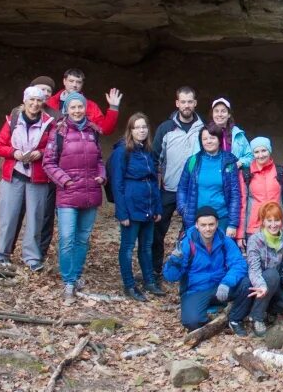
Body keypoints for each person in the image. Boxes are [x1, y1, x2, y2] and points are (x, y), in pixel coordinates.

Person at [42, 93, 106, 304]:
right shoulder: (58, 132)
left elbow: (99, 160)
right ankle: (68, 280)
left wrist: (102, 175)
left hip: (90, 193)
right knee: (67, 238)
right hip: (68, 193)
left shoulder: (94, 131)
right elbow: (48, 163)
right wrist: (66, 181)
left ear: (85, 108)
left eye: (80, 107)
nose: (77, 110)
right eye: (73, 107)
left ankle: (77, 275)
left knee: (83, 238)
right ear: (67, 109)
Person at [0, 86, 55, 271]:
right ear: (25, 101)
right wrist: (15, 153)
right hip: (13, 175)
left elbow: (55, 148)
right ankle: (2, 254)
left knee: (36, 218)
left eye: (39, 100)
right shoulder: (13, 120)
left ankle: (32, 258)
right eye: (32, 100)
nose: (35, 104)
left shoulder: (49, 123)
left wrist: (41, 153)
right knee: (8, 215)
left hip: (38, 178)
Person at [163, 207, 248, 331]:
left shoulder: (224, 241)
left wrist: (227, 282)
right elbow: (170, 277)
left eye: (211, 224)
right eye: (203, 225)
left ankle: (234, 318)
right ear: (197, 225)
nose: (208, 228)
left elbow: (239, 264)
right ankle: (210, 313)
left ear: (217, 224)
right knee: (192, 322)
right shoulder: (187, 243)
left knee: (247, 284)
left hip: (221, 286)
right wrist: (175, 261)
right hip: (197, 289)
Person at [152, 87, 204, 284]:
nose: (186, 106)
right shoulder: (166, 128)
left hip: (193, 191)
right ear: (177, 103)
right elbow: (155, 157)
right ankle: (155, 271)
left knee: (190, 233)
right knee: (158, 231)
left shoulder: (203, 128)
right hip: (168, 188)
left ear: (195, 103)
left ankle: (186, 271)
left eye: (190, 102)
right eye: (183, 102)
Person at [109, 113, 164, 301]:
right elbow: (117, 183)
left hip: (148, 205)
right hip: (131, 206)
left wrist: (157, 207)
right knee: (128, 247)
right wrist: (121, 212)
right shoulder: (122, 152)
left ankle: (149, 281)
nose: (141, 130)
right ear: (130, 130)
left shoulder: (148, 151)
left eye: (144, 127)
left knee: (147, 246)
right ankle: (129, 285)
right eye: (137, 127)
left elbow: (153, 180)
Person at [229, 202, 283, 337]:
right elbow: (254, 269)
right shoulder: (255, 240)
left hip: (275, 284)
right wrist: (261, 286)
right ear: (263, 222)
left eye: (277, 220)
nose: (273, 224)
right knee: (271, 275)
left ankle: (266, 310)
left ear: (282, 221)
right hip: (256, 281)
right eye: (269, 220)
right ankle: (256, 318)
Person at [176, 123, 242, 238]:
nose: (208, 141)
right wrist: (184, 209)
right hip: (197, 220)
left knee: (221, 253)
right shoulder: (192, 161)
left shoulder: (229, 162)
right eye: (205, 139)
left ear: (219, 139)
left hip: (222, 219)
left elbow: (235, 194)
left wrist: (232, 224)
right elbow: (182, 188)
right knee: (197, 254)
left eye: (212, 138)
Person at [238, 137, 283, 243]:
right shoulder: (246, 174)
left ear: (269, 151)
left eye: (264, 150)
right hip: (254, 229)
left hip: (277, 226)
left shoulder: (281, 171)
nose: (261, 155)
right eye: (256, 152)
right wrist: (240, 235)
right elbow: (242, 205)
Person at [45, 68, 121, 136]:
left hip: (79, 148)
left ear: (82, 84)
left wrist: (113, 108)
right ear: (64, 81)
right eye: (71, 81)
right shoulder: (49, 102)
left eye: (78, 82)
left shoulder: (91, 106)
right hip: (52, 147)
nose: (74, 85)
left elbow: (105, 130)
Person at [210, 97, 252, 169]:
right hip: (212, 176)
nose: (219, 114)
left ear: (229, 114)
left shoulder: (238, 134)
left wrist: (240, 162)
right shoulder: (206, 132)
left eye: (223, 111)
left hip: (233, 176)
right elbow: (197, 156)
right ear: (212, 114)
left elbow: (250, 157)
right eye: (216, 111)